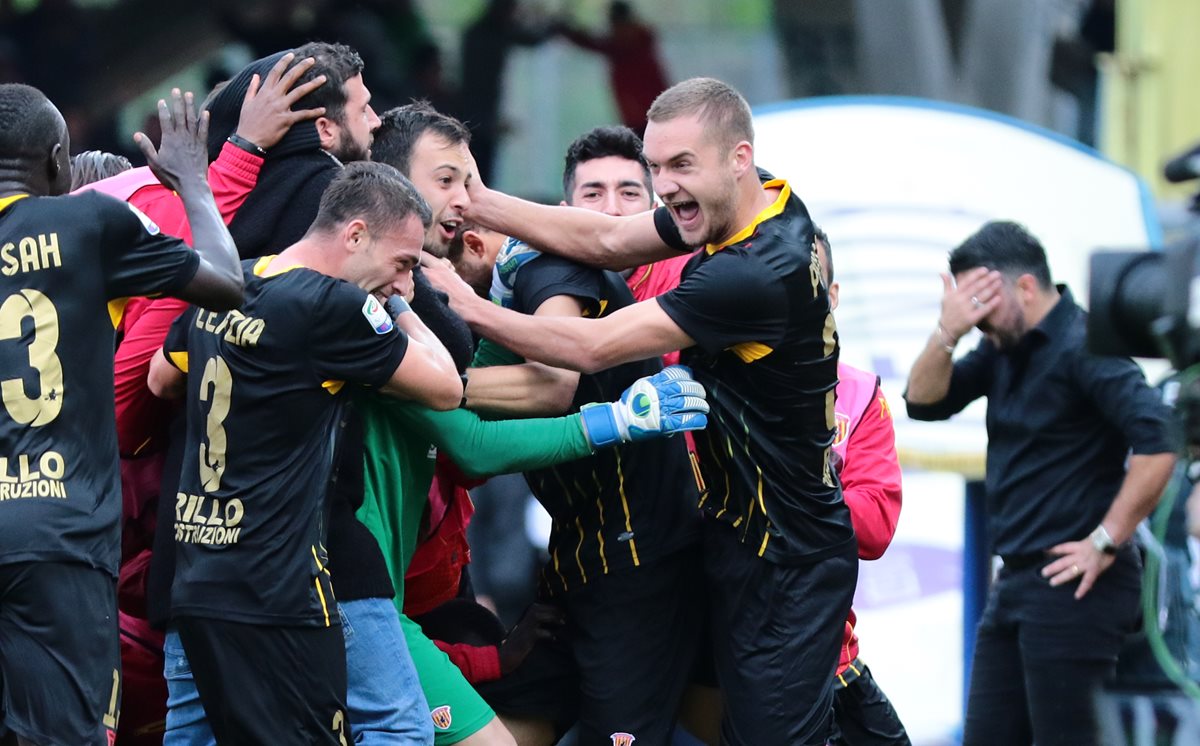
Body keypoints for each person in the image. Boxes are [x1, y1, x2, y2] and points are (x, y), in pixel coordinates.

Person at [421, 77, 858, 745]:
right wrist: (483, 201)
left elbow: (587, 351)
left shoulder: (749, 272)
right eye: (655, 168)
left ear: (738, 157)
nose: (664, 186)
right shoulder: (759, 202)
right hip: (726, 536)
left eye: (678, 166)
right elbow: (607, 241)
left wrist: (469, 306)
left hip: (786, 555)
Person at [147, 162, 463, 744]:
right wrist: (402, 311)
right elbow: (448, 387)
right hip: (280, 585)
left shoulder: (228, 282)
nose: (401, 280)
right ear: (356, 235)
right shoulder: (333, 307)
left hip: (194, 571)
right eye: (403, 264)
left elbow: (160, 380)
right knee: (398, 728)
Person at [0, 83, 244, 745]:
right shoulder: (85, 225)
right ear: (56, 159)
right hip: (61, 533)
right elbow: (227, 283)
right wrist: (193, 181)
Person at [460, 123, 706, 745]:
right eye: (593, 195)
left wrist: (415, 379)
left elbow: (555, 383)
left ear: (654, 213)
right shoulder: (540, 271)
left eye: (629, 193)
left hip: (653, 561)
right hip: (580, 561)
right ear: (561, 212)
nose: (611, 212)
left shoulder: (693, 283)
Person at [904, 220, 1175, 746]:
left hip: (1077, 585)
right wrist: (947, 333)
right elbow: (923, 401)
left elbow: (1159, 441)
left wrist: (1105, 540)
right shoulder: (1003, 347)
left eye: (982, 301)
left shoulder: (1086, 345)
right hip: (1016, 582)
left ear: (1025, 286)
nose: (976, 319)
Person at [559, 1, 669, 136]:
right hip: (644, 120)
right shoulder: (633, 44)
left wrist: (568, 31)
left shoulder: (631, 47)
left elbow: (596, 44)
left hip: (649, 120)